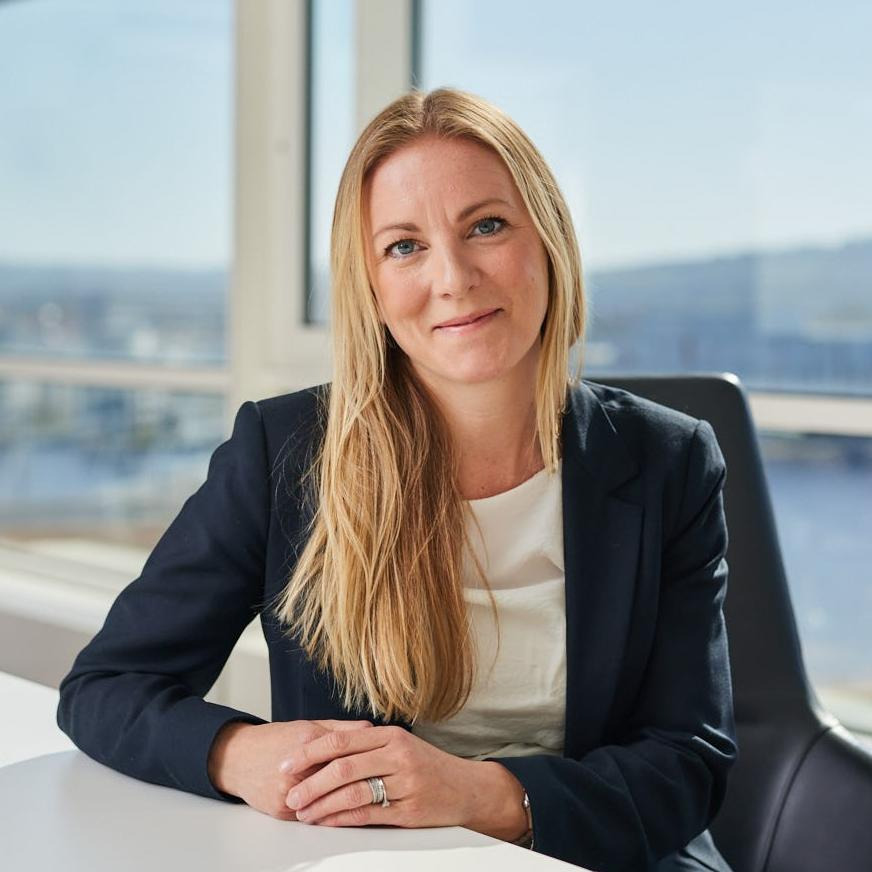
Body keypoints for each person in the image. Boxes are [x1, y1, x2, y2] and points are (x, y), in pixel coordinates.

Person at [57, 87, 737, 872]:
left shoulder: (668, 459)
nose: (453, 278)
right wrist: (238, 754)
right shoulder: (284, 453)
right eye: (404, 247)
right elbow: (106, 686)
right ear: (370, 287)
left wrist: (480, 794)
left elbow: (689, 760)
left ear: (547, 241)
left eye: (487, 226)